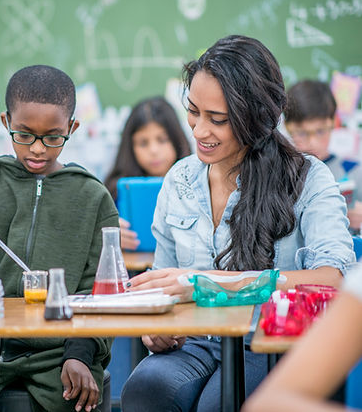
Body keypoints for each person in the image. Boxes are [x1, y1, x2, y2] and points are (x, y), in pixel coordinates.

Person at [120, 35, 354, 412]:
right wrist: (157, 327)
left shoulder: (308, 178)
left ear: (258, 118)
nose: (197, 131)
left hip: (266, 340)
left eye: (218, 120)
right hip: (196, 341)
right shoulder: (179, 180)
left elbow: (333, 279)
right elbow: (165, 281)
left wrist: (211, 284)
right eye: (193, 111)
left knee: (222, 403)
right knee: (144, 390)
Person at [0, 65, 118, 412]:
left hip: (59, 353)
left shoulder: (93, 198)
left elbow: (101, 294)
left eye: (52, 137)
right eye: (24, 134)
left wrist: (80, 354)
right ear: (6, 122)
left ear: (72, 129)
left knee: (71, 395)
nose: (37, 149)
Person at [242, 266, 362, 412]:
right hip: (222, 343)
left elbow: (332, 279)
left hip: (256, 349)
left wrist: (239, 281)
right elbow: (268, 403)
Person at [103, 96, 191, 250]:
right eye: (143, 143)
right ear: (130, 147)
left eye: (162, 139)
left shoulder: (198, 183)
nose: (153, 150)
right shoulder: (114, 193)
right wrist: (107, 233)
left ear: (177, 141)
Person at [285, 79, 362, 231]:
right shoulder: (281, 172)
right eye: (301, 132)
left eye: (320, 131)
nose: (313, 142)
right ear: (287, 126)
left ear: (334, 122)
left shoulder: (353, 171)